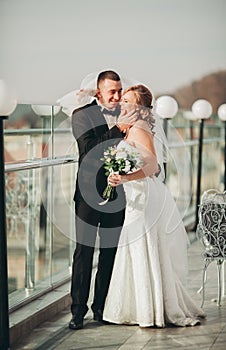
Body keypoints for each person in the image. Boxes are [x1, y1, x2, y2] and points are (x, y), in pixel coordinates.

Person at [103, 84, 206, 327]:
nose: (123, 104)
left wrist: (125, 177)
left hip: (145, 197)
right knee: (136, 247)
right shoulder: (132, 130)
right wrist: (115, 177)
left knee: (143, 246)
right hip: (135, 197)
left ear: (139, 108)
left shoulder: (139, 130)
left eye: (128, 101)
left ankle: (152, 310)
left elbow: (152, 168)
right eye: (123, 100)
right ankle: (142, 307)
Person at [69, 70, 138, 330]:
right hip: (87, 195)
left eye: (120, 91)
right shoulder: (81, 115)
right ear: (99, 92)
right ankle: (77, 312)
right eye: (112, 92)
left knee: (109, 254)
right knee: (83, 254)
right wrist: (117, 129)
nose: (118, 96)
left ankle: (102, 308)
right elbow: (88, 152)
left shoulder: (127, 112)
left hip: (117, 195)